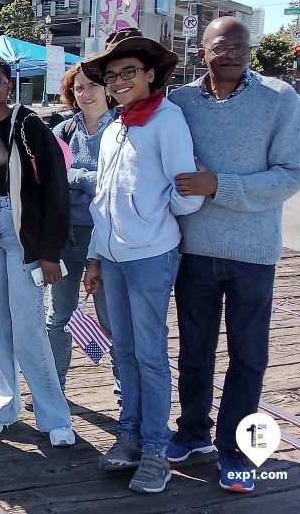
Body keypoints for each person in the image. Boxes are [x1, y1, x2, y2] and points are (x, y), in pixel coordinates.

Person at [166, 16, 300, 493]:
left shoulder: (279, 98)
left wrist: (219, 187)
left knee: (248, 356)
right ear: (201, 50)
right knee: (193, 351)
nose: (232, 51)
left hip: (254, 253)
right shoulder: (180, 101)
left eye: (241, 44)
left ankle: (236, 451)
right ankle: (191, 433)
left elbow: (291, 174)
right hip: (193, 251)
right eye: (221, 44)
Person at [81, 28, 204, 494]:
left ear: (151, 75)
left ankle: (156, 450)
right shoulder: (116, 125)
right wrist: (95, 255)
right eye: (112, 76)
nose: (118, 82)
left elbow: (187, 190)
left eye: (129, 73)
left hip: (151, 257)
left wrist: (150, 219)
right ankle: (128, 436)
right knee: (124, 352)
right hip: (112, 259)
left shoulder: (166, 120)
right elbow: (101, 200)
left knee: (151, 356)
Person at [0, 55, 75, 448]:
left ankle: (54, 416)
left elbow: (56, 188)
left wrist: (49, 251)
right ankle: (2, 405)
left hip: (24, 232)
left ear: (9, 84)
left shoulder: (29, 126)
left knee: (28, 327)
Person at [46, 62, 120, 397]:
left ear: (107, 88)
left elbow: (113, 184)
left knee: (112, 319)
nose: (85, 93)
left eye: (92, 85)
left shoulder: (121, 130)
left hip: (105, 238)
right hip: (63, 235)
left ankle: (126, 397)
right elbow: (48, 179)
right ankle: (52, 391)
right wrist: (88, 182)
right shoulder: (62, 131)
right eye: (78, 88)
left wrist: (74, 178)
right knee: (58, 315)